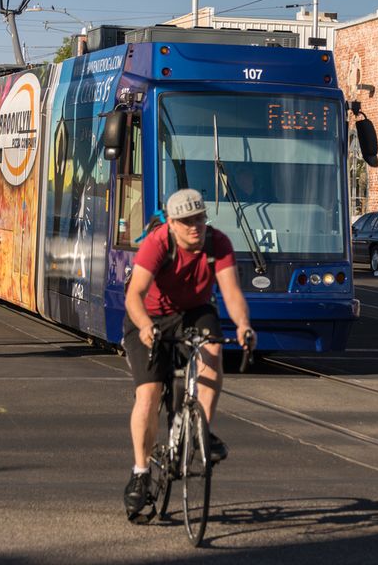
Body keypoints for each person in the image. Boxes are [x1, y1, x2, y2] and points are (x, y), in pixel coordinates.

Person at [122, 188, 255, 521]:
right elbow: (134, 295)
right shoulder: (157, 243)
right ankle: (140, 473)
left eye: (199, 218)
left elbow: (231, 291)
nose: (195, 227)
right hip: (150, 316)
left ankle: (201, 431)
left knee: (213, 347)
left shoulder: (217, 243)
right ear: (171, 223)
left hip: (195, 310)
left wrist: (243, 325)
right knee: (149, 394)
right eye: (186, 221)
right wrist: (144, 326)